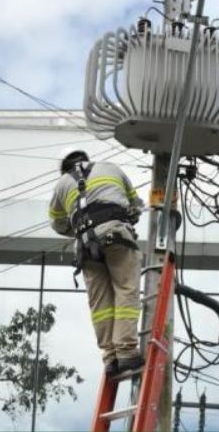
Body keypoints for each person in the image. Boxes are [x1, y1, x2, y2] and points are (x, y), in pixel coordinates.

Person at [48, 148, 145, 375]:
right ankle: (126, 353)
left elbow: (56, 223)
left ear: (65, 167)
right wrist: (128, 216)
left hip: (84, 245)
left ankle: (111, 358)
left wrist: (77, 228)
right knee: (126, 290)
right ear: (85, 158)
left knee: (100, 305)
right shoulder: (110, 168)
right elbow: (136, 204)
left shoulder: (61, 184)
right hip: (116, 234)